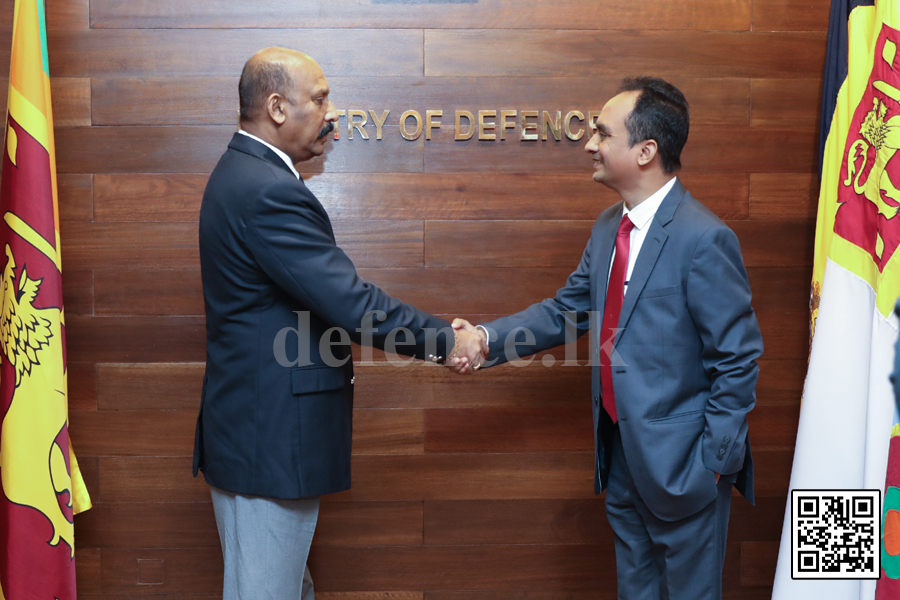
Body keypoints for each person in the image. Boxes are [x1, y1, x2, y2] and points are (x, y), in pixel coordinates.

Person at [193, 47, 486, 600]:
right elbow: (351, 305)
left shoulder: (244, 174)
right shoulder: (267, 190)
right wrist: (448, 341)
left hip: (256, 436)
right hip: (269, 442)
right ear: (277, 107)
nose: (334, 111)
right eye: (321, 97)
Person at [454, 77, 763, 600]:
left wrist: (713, 465)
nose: (589, 144)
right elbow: (565, 311)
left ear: (646, 150)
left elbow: (738, 359)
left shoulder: (704, 238)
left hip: (686, 469)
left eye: (602, 133)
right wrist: (485, 339)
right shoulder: (606, 229)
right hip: (622, 461)